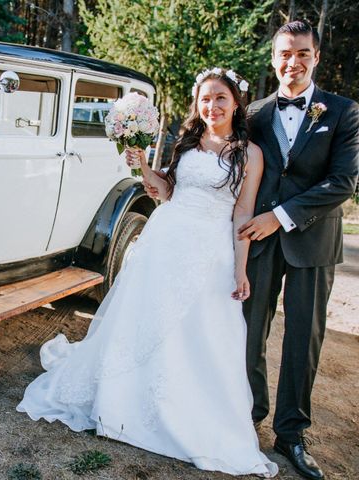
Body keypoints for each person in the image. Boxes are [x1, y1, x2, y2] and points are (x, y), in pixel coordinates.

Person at [17, 68, 278, 477]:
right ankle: (122, 405)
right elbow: (165, 190)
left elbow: (242, 213)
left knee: (199, 332)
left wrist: (240, 268)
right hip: (165, 240)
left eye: (220, 98)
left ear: (236, 103)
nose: (212, 106)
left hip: (209, 252)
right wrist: (142, 165)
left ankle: (183, 416)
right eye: (205, 99)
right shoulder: (188, 142)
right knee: (144, 320)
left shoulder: (250, 153)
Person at [239, 20, 359, 480]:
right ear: (274, 58)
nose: (293, 62)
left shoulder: (344, 111)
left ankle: (291, 433)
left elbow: (342, 182)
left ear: (316, 58)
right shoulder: (254, 113)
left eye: (303, 53)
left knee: (302, 341)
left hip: (313, 239)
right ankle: (248, 414)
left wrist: (281, 216)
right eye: (285, 54)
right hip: (260, 242)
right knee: (249, 332)